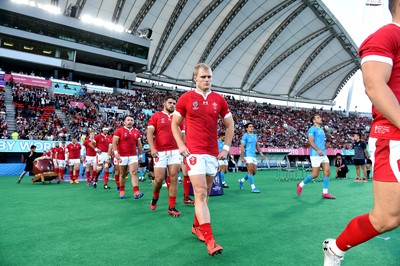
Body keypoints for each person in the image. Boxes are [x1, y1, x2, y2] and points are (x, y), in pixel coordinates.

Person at [323, 2, 400, 264]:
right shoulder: (387, 35)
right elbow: (374, 86)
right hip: (395, 140)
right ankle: (335, 248)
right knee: (387, 218)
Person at [171, 63, 234, 256]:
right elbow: (175, 124)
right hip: (194, 153)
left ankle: (196, 226)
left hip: (212, 153)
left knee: (204, 194)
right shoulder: (186, 98)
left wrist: (225, 148)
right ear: (195, 79)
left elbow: (230, 125)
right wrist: (181, 146)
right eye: (204, 77)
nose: (207, 80)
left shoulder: (219, 100)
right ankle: (210, 240)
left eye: (209, 77)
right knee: (199, 192)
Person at [147, 95, 182, 217]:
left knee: (173, 177)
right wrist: (152, 148)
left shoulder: (178, 117)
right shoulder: (156, 116)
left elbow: (182, 134)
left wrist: (184, 147)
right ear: (164, 103)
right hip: (160, 152)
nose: (172, 105)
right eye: (170, 102)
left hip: (175, 151)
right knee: (159, 179)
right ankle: (155, 195)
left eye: (174, 103)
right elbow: (149, 133)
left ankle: (171, 206)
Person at [296, 114, 335, 199]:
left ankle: (325, 193)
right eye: (318, 118)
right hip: (315, 154)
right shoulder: (312, 129)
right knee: (315, 174)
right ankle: (301, 184)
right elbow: (310, 141)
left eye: (320, 117)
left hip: (323, 153)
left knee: (327, 171)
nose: (320, 118)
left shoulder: (321, 130)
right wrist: (318, 150)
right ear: (314, 120)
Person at [112, 115, 144, 200]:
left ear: (134, 122)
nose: (130, 121)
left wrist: (140, 155)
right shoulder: (119, 131)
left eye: (131, 120)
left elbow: (139, 145)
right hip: (122, 156)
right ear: (124, 121)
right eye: (128, 120)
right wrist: (116, 153)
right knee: (123, 174)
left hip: (133, 155)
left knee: (134, 172)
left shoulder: (136, 132)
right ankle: (122, 190)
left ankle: (136, 192)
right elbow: (114, 142)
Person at [238, 123, 265, 193]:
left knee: (253, 173)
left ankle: (242, 180)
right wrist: (242, 157)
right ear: (247, 128)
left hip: (254, 156)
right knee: (250, 171)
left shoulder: (255, 136)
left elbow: (257, 146)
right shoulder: (245, 136)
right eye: (250, 127)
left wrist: (261, 154)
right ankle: (253, 188)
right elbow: (242, 147)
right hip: (248, 155)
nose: (251, 128)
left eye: (252, 126)